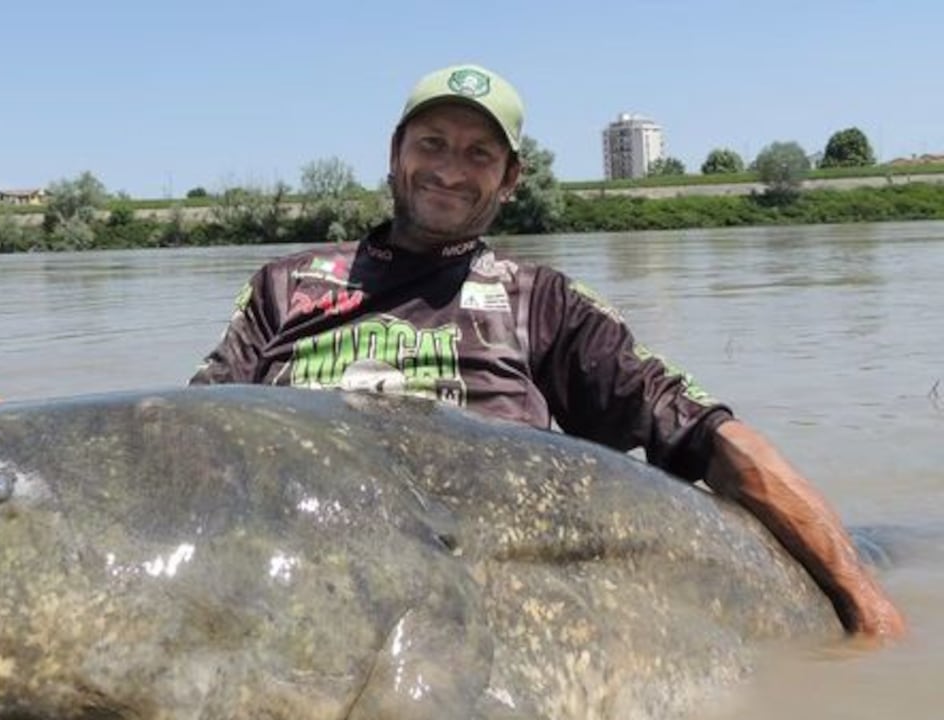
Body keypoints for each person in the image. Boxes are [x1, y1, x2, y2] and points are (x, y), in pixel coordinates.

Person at [188, 63, 906, 640]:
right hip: (288, 572)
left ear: (510, 179)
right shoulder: (286, 286)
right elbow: (189, 443)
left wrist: (863, 598)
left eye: (479, 153)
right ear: (395, 153)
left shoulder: (541, 300)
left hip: (476, 595)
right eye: (432, 143)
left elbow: (706, 434)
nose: (450, 169)